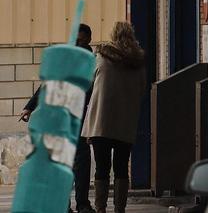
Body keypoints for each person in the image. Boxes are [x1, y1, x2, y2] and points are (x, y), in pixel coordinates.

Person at [20, 23, 95, 213]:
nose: (77, 43)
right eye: (75, 40)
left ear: (89, 40)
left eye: (81, 40)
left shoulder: (93, 62)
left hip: (83, 118)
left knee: (82, 163)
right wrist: (29, 107)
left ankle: (82, 203)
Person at [81, 22, 145, 213]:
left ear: (113, 35)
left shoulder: (101, 57)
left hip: (101, 122)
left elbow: (88, 82)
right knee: (121, 168)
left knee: (102, 168)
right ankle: (119, 209)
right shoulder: (137, 62)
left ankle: (101, 208)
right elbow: (142, 89)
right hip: (125, 122)